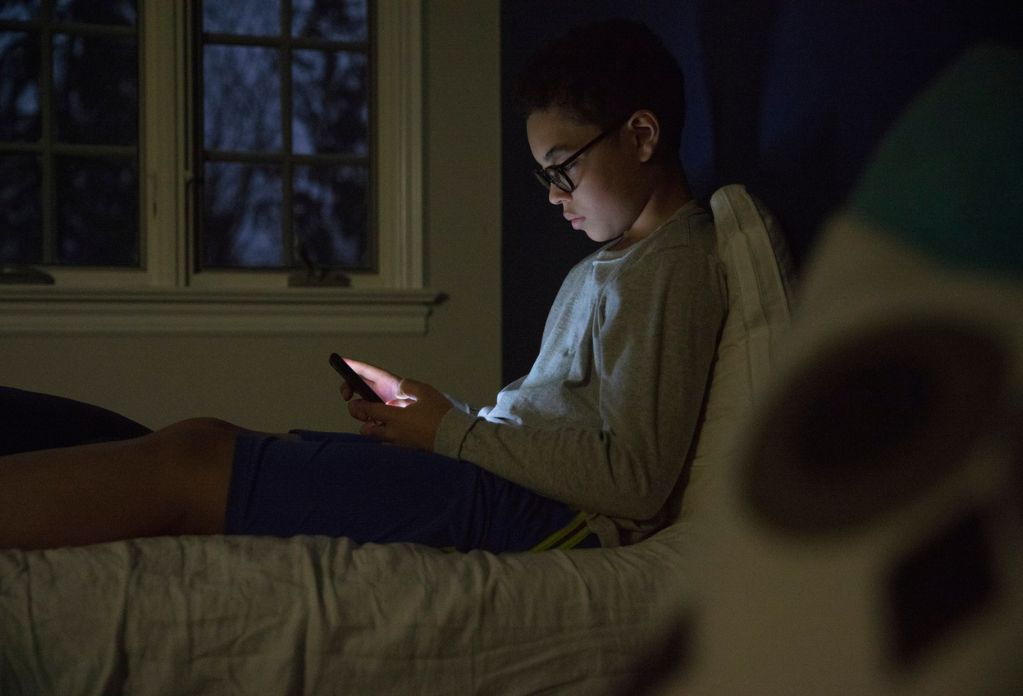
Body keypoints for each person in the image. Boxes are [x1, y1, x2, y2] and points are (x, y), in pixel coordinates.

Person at [0, 18, 725, 553]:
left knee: (192, 461)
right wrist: (437, 416)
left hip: (548, 522)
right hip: (502, 478)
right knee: (194, 442)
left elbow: (632, 479)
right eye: (544, 175)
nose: (551, 195)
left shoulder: (675, 262)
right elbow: (549, 425)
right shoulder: (600, 268)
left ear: (640, 136)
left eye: (562, 167)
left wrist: (449, 430)